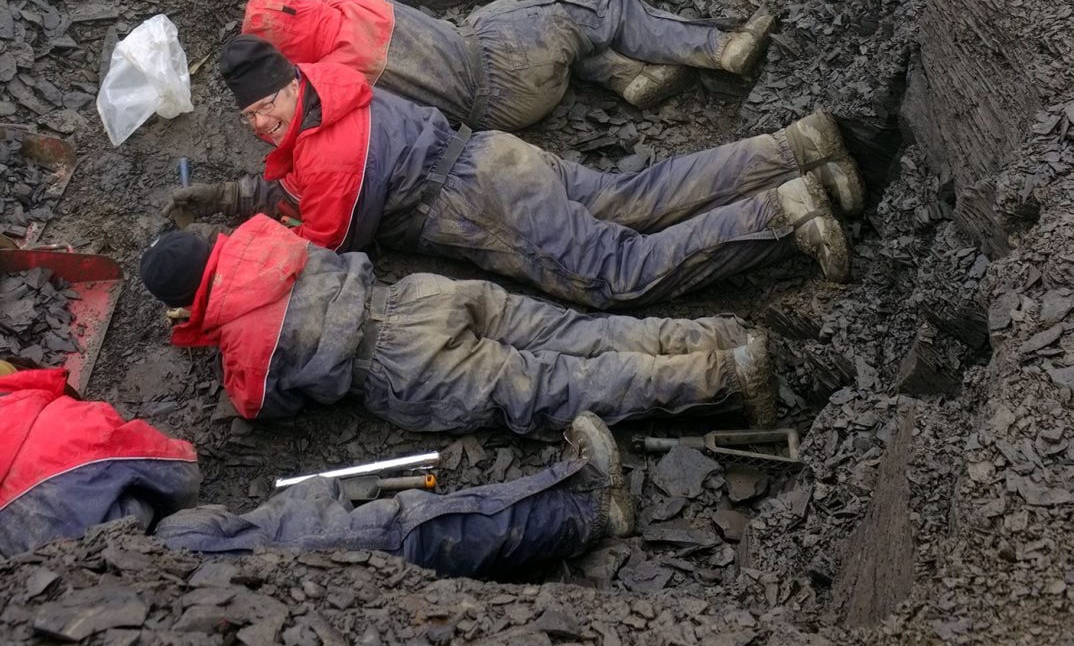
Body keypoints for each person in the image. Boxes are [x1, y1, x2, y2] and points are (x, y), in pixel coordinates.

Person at [165, 35, 860, 305]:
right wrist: (234, 193)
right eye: (248, 116)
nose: (258, 124)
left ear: (291, 86)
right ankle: (796, 148)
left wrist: (234, 244)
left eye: (265, 107)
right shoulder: (329, 85)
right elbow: (299, 183)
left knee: (617, 273)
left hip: (481, 202)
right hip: (495, 154)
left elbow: (320, 244)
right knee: (633, 197)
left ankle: (785, 212)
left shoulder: (328, 156)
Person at [140, 216, 777, 432]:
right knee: (577, 334)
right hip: (422, 297)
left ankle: (723, 377)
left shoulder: (242, 341)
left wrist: (206, 328)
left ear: (186, 299)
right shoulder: (260, 239)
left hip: (402, 366)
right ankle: (714, 336)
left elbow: (258, 405)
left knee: (558, 386)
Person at [0, 367, 635, 571]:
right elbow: (179, 476)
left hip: (101, 594)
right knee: (373, 535)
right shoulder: (48, 428)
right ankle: (582, 509)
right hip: (154, 569)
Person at [238, 0, 778, 129]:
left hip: (493, 118)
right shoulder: (348, 4)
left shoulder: (315, 85)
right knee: (600, 11)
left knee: (511, 16)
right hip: (498, 61)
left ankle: (626, 77)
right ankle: (721, 47)